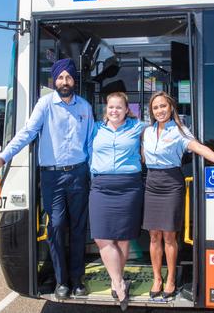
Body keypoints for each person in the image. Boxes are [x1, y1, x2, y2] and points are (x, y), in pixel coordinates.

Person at [0, 58, 94, 300]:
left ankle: (77, 279)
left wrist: (93, 174)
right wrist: (2, 158)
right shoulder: (45, 104)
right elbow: (27, 132)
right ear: (54, 80)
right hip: (52, 176)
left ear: (74, 80)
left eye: (69, 77)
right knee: (57, 225)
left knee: (79, 228)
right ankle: (62, 281)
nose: (64, 81)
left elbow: (90, 143)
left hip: (79, 174)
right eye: (60, 77)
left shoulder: (85, 107)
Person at [142, 91, 214, 299]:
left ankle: (170, 279)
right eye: (155, 107)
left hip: (171, 183)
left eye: (163, 106)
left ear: (171, 108)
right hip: (151, 184)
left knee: (169, 235)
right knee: (153, 235)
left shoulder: (180, 131)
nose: (159, 110)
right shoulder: (147, 132)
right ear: (151, 111)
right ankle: (157, 278)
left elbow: (199, 148)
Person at [88, 92, 145, 311]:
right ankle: (119, 282)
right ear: (106, 109)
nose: (114, 111)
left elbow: (161, 127)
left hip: (129, 186)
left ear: (126, 109)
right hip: (101, 187)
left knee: (122, 239)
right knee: (102, 237)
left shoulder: (137, 127)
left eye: (119, 107)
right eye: (111, 107)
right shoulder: (95, 128)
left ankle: (117, 280)